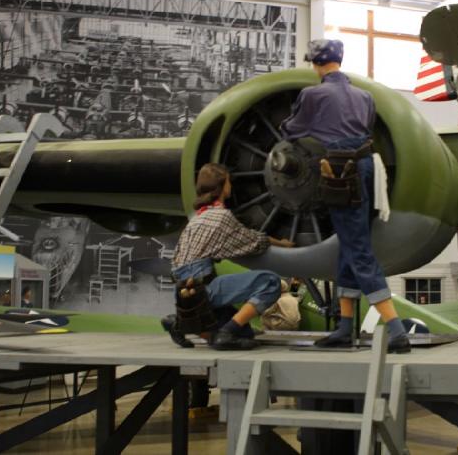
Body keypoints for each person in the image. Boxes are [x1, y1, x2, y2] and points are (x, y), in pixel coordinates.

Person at [280, 39, 411, 354]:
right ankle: (343, 327)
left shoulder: (312, 94)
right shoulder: (364, 96)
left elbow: (291, 130)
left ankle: (396, 331)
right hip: (367, 168)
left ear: (315, 64)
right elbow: (364, 128)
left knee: (358, 249)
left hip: (340, 172)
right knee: (349, 245)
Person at [165, 163, 293, 350]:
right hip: (203, 287)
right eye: (228, 182)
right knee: (271, 282)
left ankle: (178, 323)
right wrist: (283, 243)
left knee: (246, 334)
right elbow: (254, 241)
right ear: (222, 186)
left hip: (183, 290)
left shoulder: (197, 218)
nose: (231, 186)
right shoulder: (221, 216)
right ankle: (227, 333)